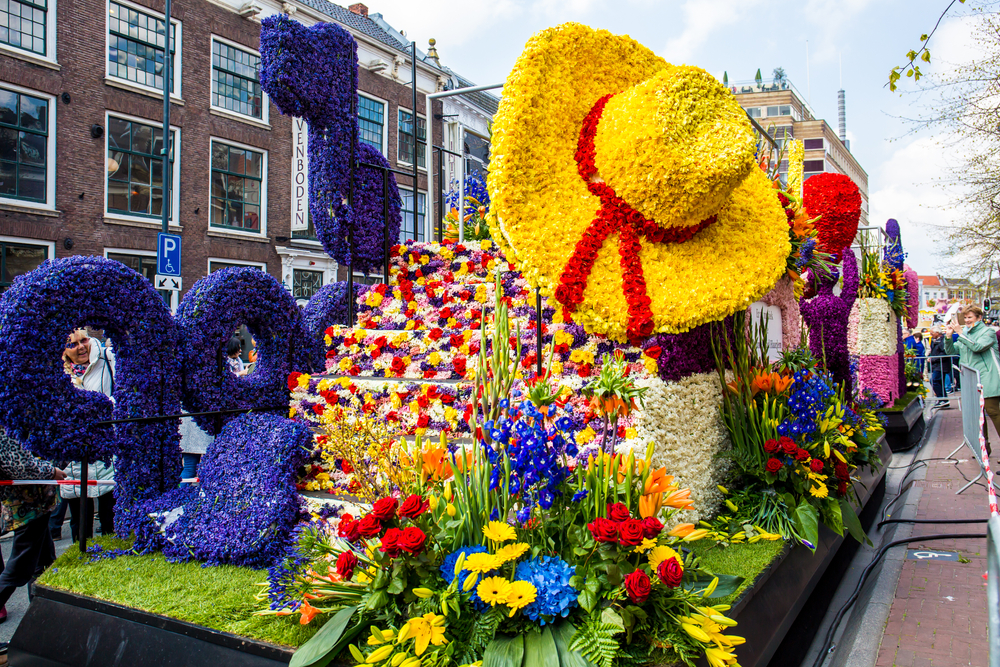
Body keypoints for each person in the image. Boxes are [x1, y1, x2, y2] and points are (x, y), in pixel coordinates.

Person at [0, 428, 65, 635]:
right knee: (18, 570)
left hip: (35, 505)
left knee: (42, 565)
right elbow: (19, 465)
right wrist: (51, 471)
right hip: (26, 506)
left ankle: (42, 626)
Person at [60, 329, 116, 540]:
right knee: (79, 513)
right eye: (73, 344)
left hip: (103, 445)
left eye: (84, 340)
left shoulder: (107, 358)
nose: (82, 346)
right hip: (73, 449)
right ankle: (80, 550)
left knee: (108, 507)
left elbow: (124, 391)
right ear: (64, 350)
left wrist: (106, 406)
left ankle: (111, 548)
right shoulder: (58, 372)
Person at [944, 305, 1000, 456]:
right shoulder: (966, 333)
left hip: (989, 377)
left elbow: (977, 347)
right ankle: (984, 449)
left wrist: (960, 333)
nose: (967, 320)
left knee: (993, 412)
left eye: (970, 317)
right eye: (966, 318)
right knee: (978, 414)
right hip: (973, 379)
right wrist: (949, 337)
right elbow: (952, 351)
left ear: (979, 318)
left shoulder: (988, 332)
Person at [927, 327, 952, 409]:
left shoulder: (942, 341)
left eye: (932, 333)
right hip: (938, 365)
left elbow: (944, 353)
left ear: (937, 332)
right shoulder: (937, 341)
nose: (931, 335)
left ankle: (942, 399)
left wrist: (933, 359)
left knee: (934, 380)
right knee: (938, 381)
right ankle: (943, 399)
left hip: (941, 365)